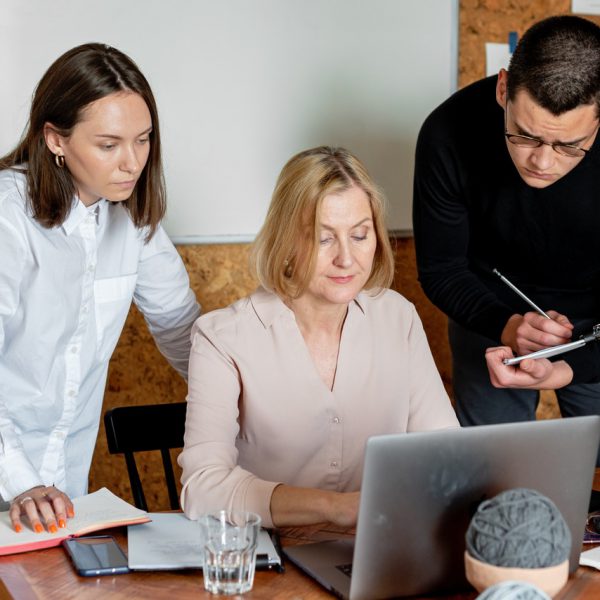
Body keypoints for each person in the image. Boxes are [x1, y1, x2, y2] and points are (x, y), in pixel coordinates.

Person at [178, 146, 458, 529]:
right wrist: (335, 508)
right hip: (268, 560)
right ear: (287, 241)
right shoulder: (222, 338)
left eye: (360, 235)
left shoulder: (398, 318)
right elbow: (203, 488)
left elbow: (444, 453)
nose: (347, 258)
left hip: (376, 549)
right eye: (325, 239)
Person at [0, 43, 200, 534]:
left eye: (144, 140)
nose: (131, 163)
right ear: (55, 139)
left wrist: (263, 410)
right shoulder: (8, 218)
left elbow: (184, 333)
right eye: (109, 145)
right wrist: (20, 481)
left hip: (62, 492)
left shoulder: (131, 217)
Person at [412, 16, 600, 436]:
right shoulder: (447, 134)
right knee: (495, 468)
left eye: (569, 146)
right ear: (503, 89)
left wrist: (570, 368)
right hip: (487, 311)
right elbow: (442, 269)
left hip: (596, 318)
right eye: (526, 136)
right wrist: (507, 325)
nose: (542, 163)